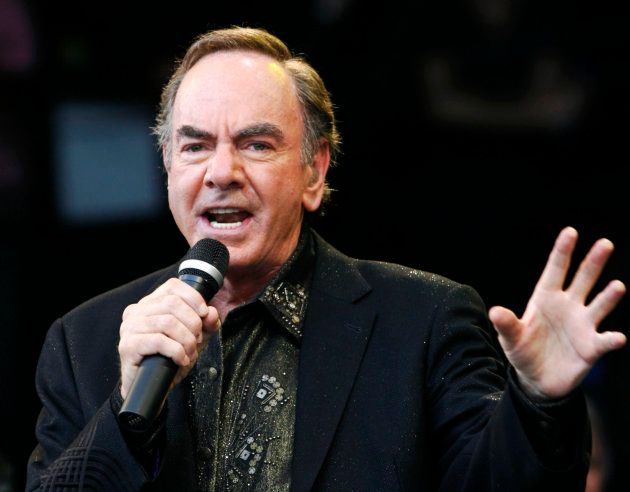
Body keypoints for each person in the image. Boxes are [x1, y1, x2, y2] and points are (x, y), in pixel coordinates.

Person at [27, 26, 626, 491]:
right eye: (195, 146)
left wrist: (539, 402)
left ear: (314, 171)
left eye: (256, 144)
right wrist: (128, 414)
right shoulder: (85, 342)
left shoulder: (424, 320)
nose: (221, 173)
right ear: (168, 168)